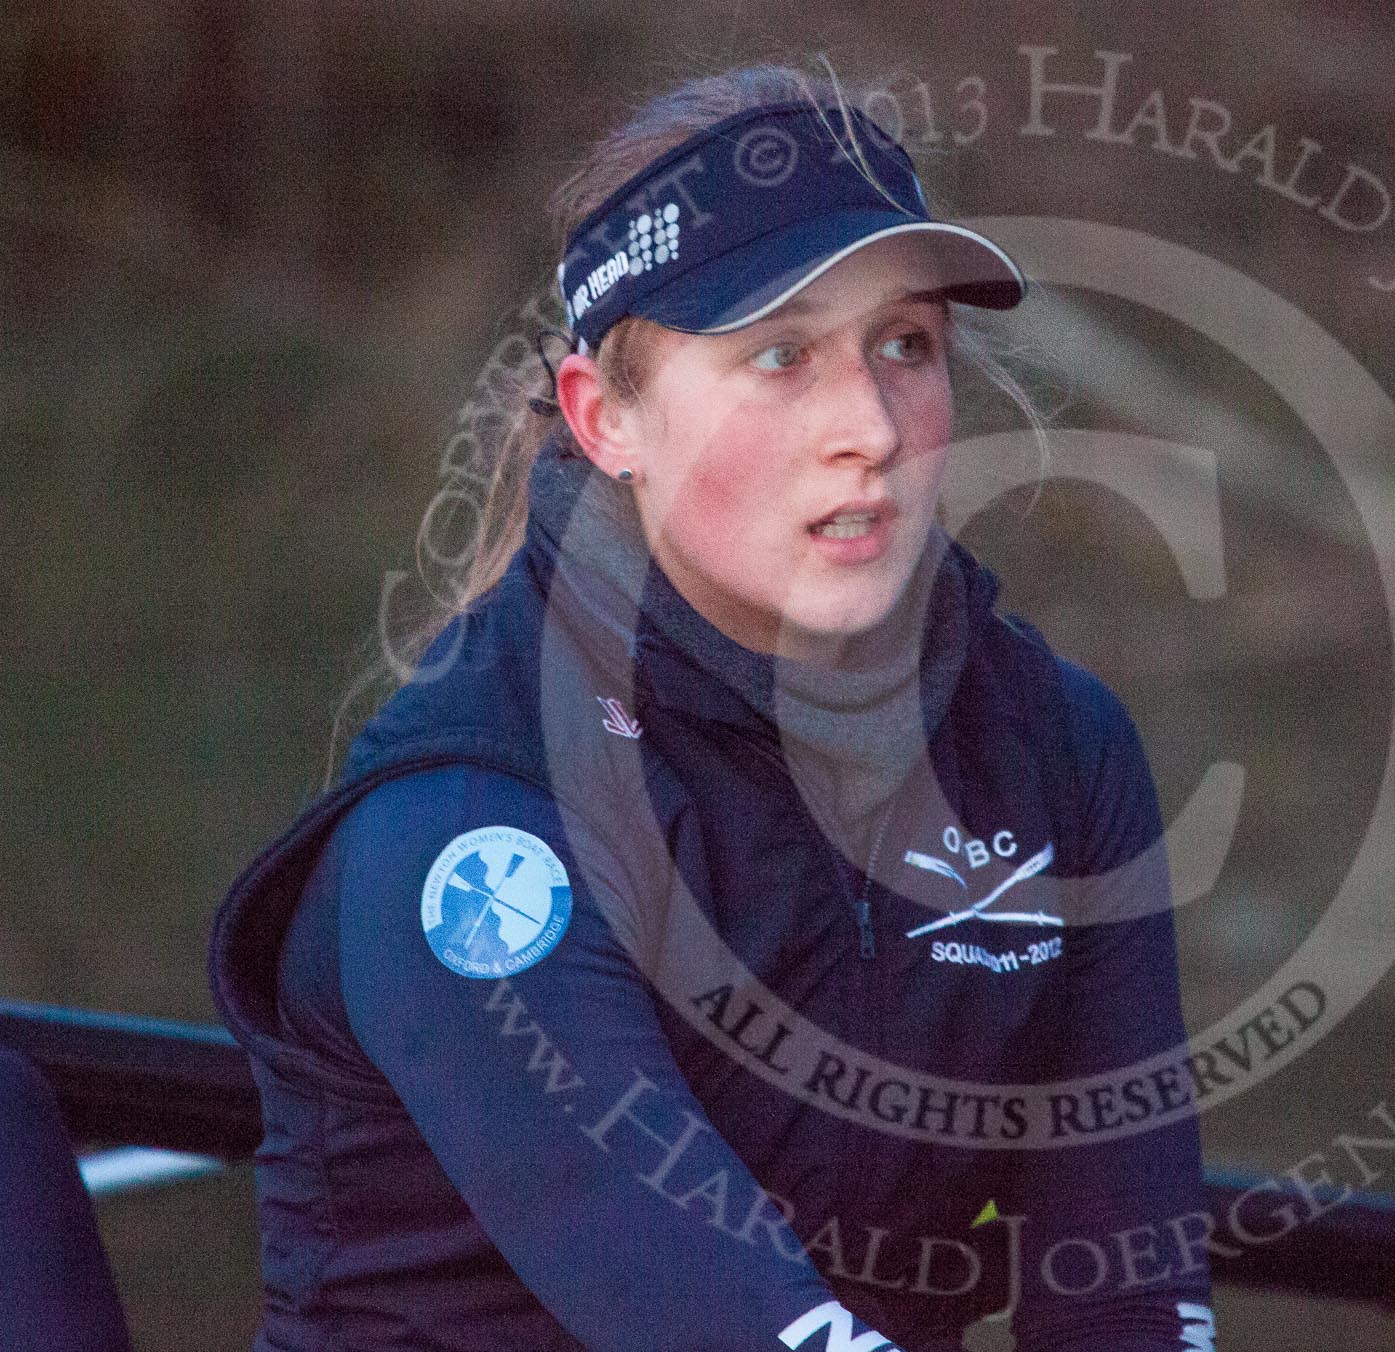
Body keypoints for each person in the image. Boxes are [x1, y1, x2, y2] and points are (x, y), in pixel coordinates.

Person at [209, 59, 1215, 1352]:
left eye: (905, 345)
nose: (870, 424)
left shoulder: (1062, 756)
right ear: (605, 418)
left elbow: (1131, 1313)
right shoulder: (471, 830)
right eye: (782, 354)